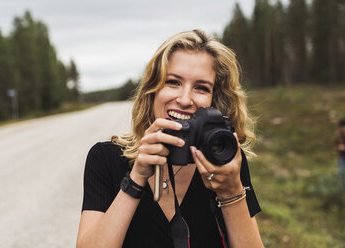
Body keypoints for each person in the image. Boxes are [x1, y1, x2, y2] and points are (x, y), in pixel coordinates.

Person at [76, 29, 264, 248]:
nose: (185, 99)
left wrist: (231, 191)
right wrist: (135, 178)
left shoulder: (224, 160)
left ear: (214, 101)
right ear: (153, 89)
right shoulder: (106, 158)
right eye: (173, 82)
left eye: (201, 88)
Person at [335, 119, 345, 187]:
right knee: (341, 172)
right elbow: (335, 145)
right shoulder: (338, 135)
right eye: (341, 127)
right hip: (341, 156)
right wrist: (339, 147)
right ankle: (341, 188)